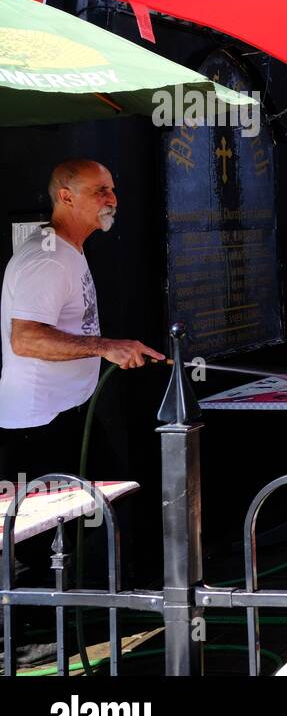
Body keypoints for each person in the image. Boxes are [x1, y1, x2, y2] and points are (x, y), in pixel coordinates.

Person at [0, 159, 163, 482]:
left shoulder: (67, 249)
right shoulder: (49, 259)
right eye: (100, 191)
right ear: (67, 197)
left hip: (65, 413)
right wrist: (106, 347)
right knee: (52, 528)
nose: (112, 199)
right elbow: (26, 339)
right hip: (39, 423)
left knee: (100, 508)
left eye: (112, 190)